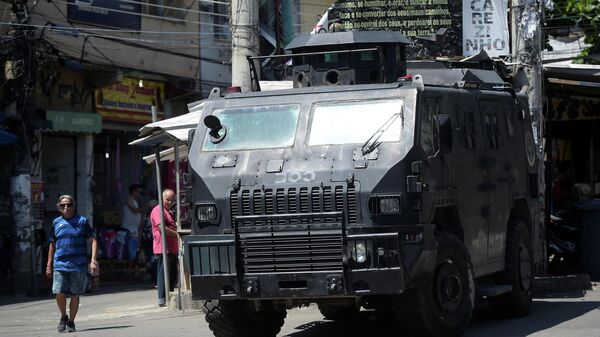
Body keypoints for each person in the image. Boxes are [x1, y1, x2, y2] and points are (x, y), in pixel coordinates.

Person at [46, 195, 98, 333]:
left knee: (75, 294)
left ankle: (71, 322)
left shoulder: (82, 221)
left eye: (69, 205)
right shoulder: (56, 222)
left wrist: (93, 260)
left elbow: (93, 240)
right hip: (60, 263)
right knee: (58, 292)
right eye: (62, 205)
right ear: (58, 207)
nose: (66, 208)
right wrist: (49, 264)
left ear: (74, 206)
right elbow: (52, 244)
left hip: (78, 264)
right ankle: (63, 316)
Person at [150, 189, 179, 307]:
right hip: (162, 248)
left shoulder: (168, 211)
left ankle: (169, 297)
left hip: (171, 248)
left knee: (172, 274)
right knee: (163, 274)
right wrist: (178, 234)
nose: (169, 202)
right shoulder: (158, 210)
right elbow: (162, 228)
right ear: (162, 198)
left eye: (172, 200)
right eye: (167, 199)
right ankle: (162, 299)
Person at [122, 184, 144, 260]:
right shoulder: (130, 199)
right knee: (130, 249)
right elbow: (134, 210)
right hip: (128, 229)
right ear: (133, 191)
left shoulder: (136, 201)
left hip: (134, 229)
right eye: (138, 192)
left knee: (134, 248)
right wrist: (146, 208)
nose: (139, 194)